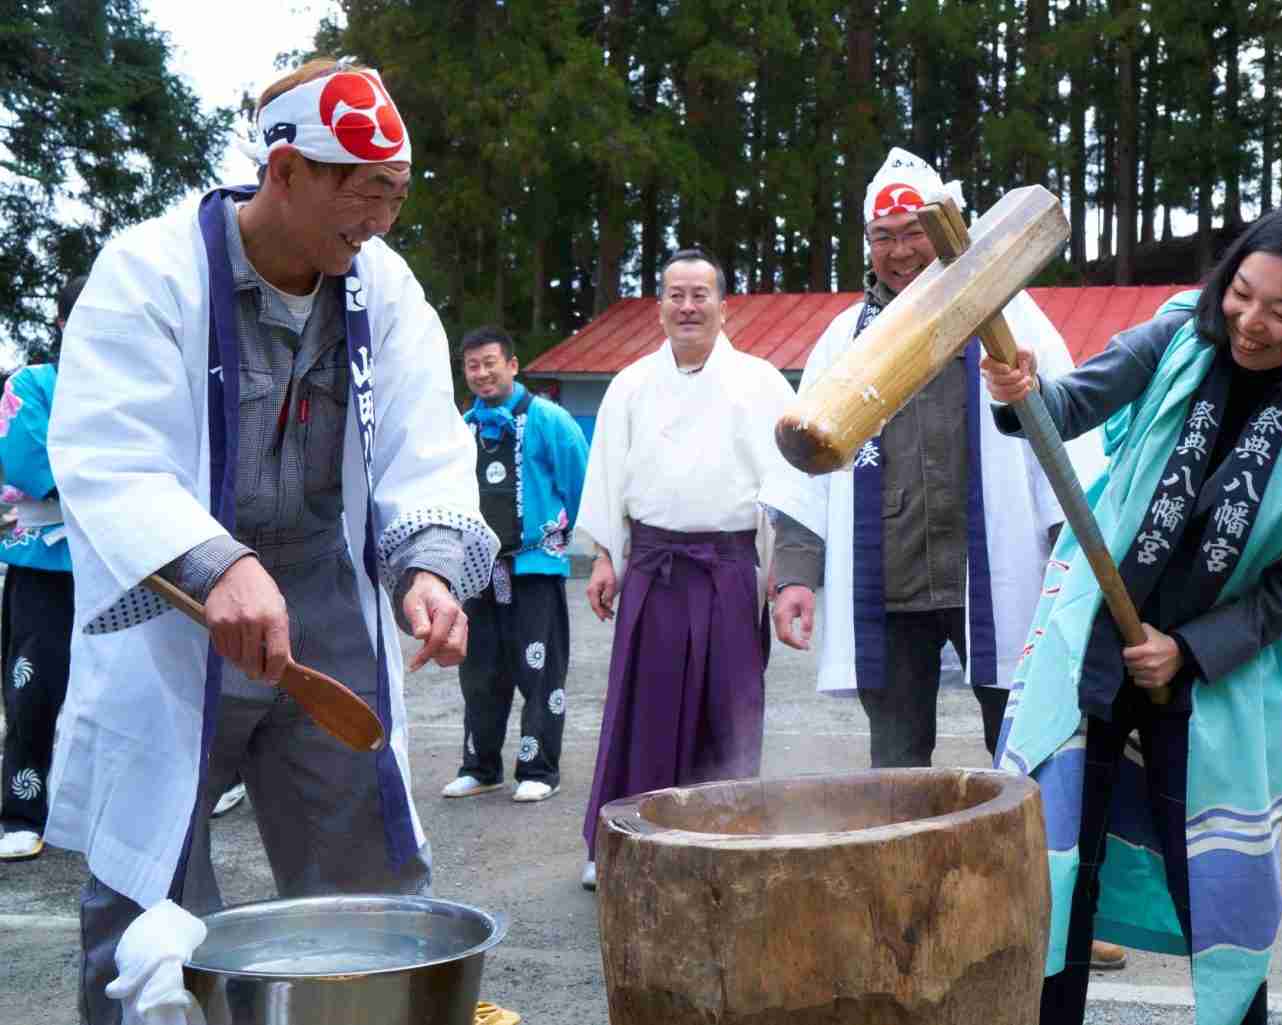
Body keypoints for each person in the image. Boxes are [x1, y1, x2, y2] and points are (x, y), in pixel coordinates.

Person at [47, 60, 499, 1023]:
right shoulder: (150, 269)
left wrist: (428, 568)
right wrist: (216, 560)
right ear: (285, 171)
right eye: (362, 191)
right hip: (178, 609)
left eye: (395, 193)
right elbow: (107, 448)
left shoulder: (383, 287)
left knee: (366, 869)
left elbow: (426, 439)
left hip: (323, 595)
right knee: (149, 889)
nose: (380, 219)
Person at [981, 196, 1282, 1023]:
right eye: (1242, 293)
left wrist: (1190, 649)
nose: (1250, 323)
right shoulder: (1178, 336)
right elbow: (1069, 406)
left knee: (1216, 883)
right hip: (1094, 646)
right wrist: (1022, 389)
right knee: (1058, 868)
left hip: (1206, 681)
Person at [760, 147, 1105, 769]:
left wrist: (1073, 562)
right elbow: (806, 467)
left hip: (996, 573)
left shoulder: (1010, 318)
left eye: (914, 231)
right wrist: (794, 576)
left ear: (949, 229)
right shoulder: (844, 340)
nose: (900, 252)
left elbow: (1066, 444)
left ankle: (1026, 835)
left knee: (1021, 743)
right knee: (895, 764)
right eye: (883, 236)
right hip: (891, 583)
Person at [576, 248, 795, 890]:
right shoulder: (630, 384)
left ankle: (725, 840)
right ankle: (620, 840)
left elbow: (788, 485)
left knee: (729, 708)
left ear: (725, 308)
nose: (688, 306)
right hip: (653, 564)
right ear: (660, 308)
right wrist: (605, 556)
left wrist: (782, 571)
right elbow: (608, 474)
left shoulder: (761, 382)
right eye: (676, 295)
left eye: (701, 295)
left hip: (730, 566)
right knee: (641, 706)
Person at [442, 325, 588, 803]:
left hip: (534, 569)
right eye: (473, 366)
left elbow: (581, 485)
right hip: (477, 573)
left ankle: (540, 768)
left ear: (512, 364)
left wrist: (561, 538)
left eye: (490, 363)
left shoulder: (550, 420)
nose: (482, 373)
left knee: (539, 669)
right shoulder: (462, 427)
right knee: (479, 672)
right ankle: (481, 766)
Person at [0, 274, 86, 862]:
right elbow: (31, 464)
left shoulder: (137, 387)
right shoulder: (31, 384)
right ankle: (22, 811)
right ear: (61, 323)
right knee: (35, 689)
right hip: (46, 565)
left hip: (125, 560)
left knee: (132, 691)